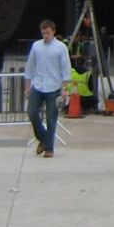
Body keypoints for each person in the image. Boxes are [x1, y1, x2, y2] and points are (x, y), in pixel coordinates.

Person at [24, 19, 70, 156]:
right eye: (43, 33)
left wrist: (65, 88)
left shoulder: (61, 47)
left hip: (54, 86)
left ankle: (49, 148)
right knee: (32, 112)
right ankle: (43, 138)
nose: (45, 35)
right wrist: (27, 85)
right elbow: (30, 66)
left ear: (53, 32)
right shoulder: (36, 46)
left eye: (48, 33)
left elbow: (65, 68)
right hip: (38, 85)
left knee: (51, 118)